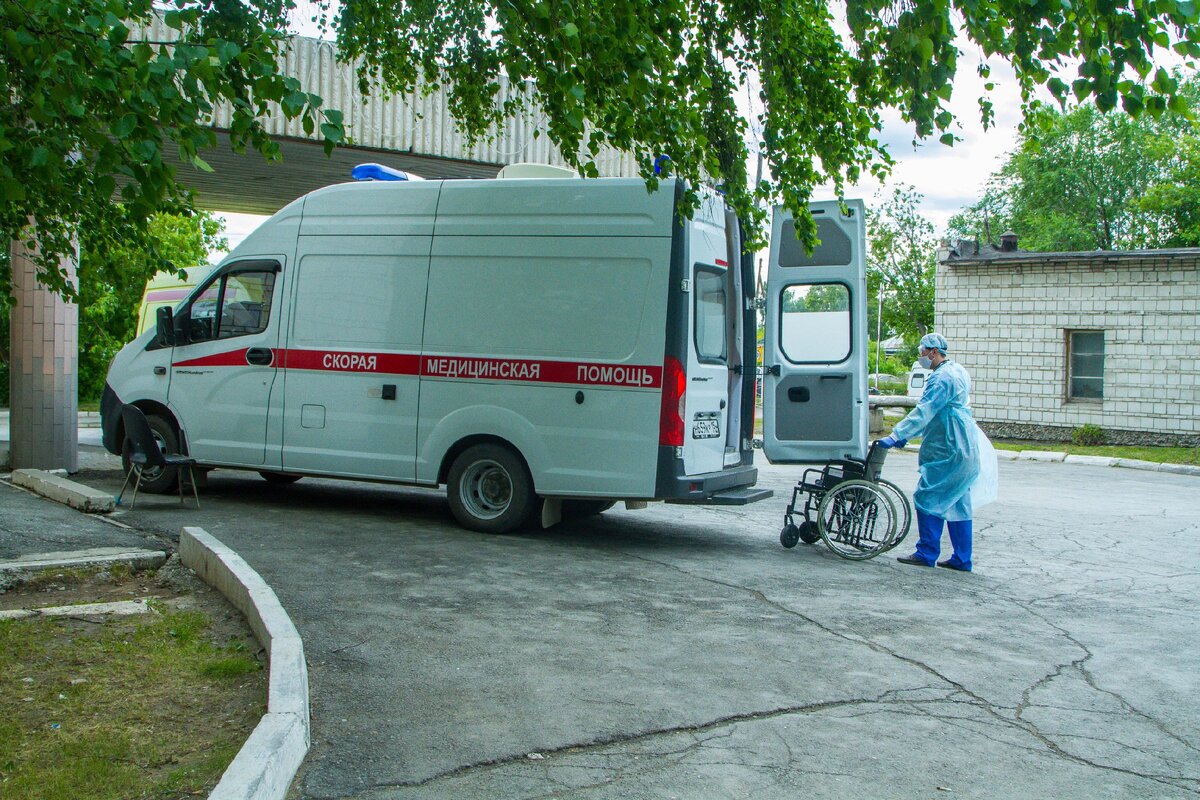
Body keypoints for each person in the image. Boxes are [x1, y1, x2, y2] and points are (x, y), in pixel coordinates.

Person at [875, 333, 997, 571]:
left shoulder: (941, 378)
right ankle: (962, 558)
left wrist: (897, 435)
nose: (920, 355)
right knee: (959, 501)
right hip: (965, 445)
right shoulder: (958, 371)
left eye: (922, 351)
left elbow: (925, 410)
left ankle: (926, 552)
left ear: (933, 351)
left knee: (927, 495)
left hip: (949, 448)